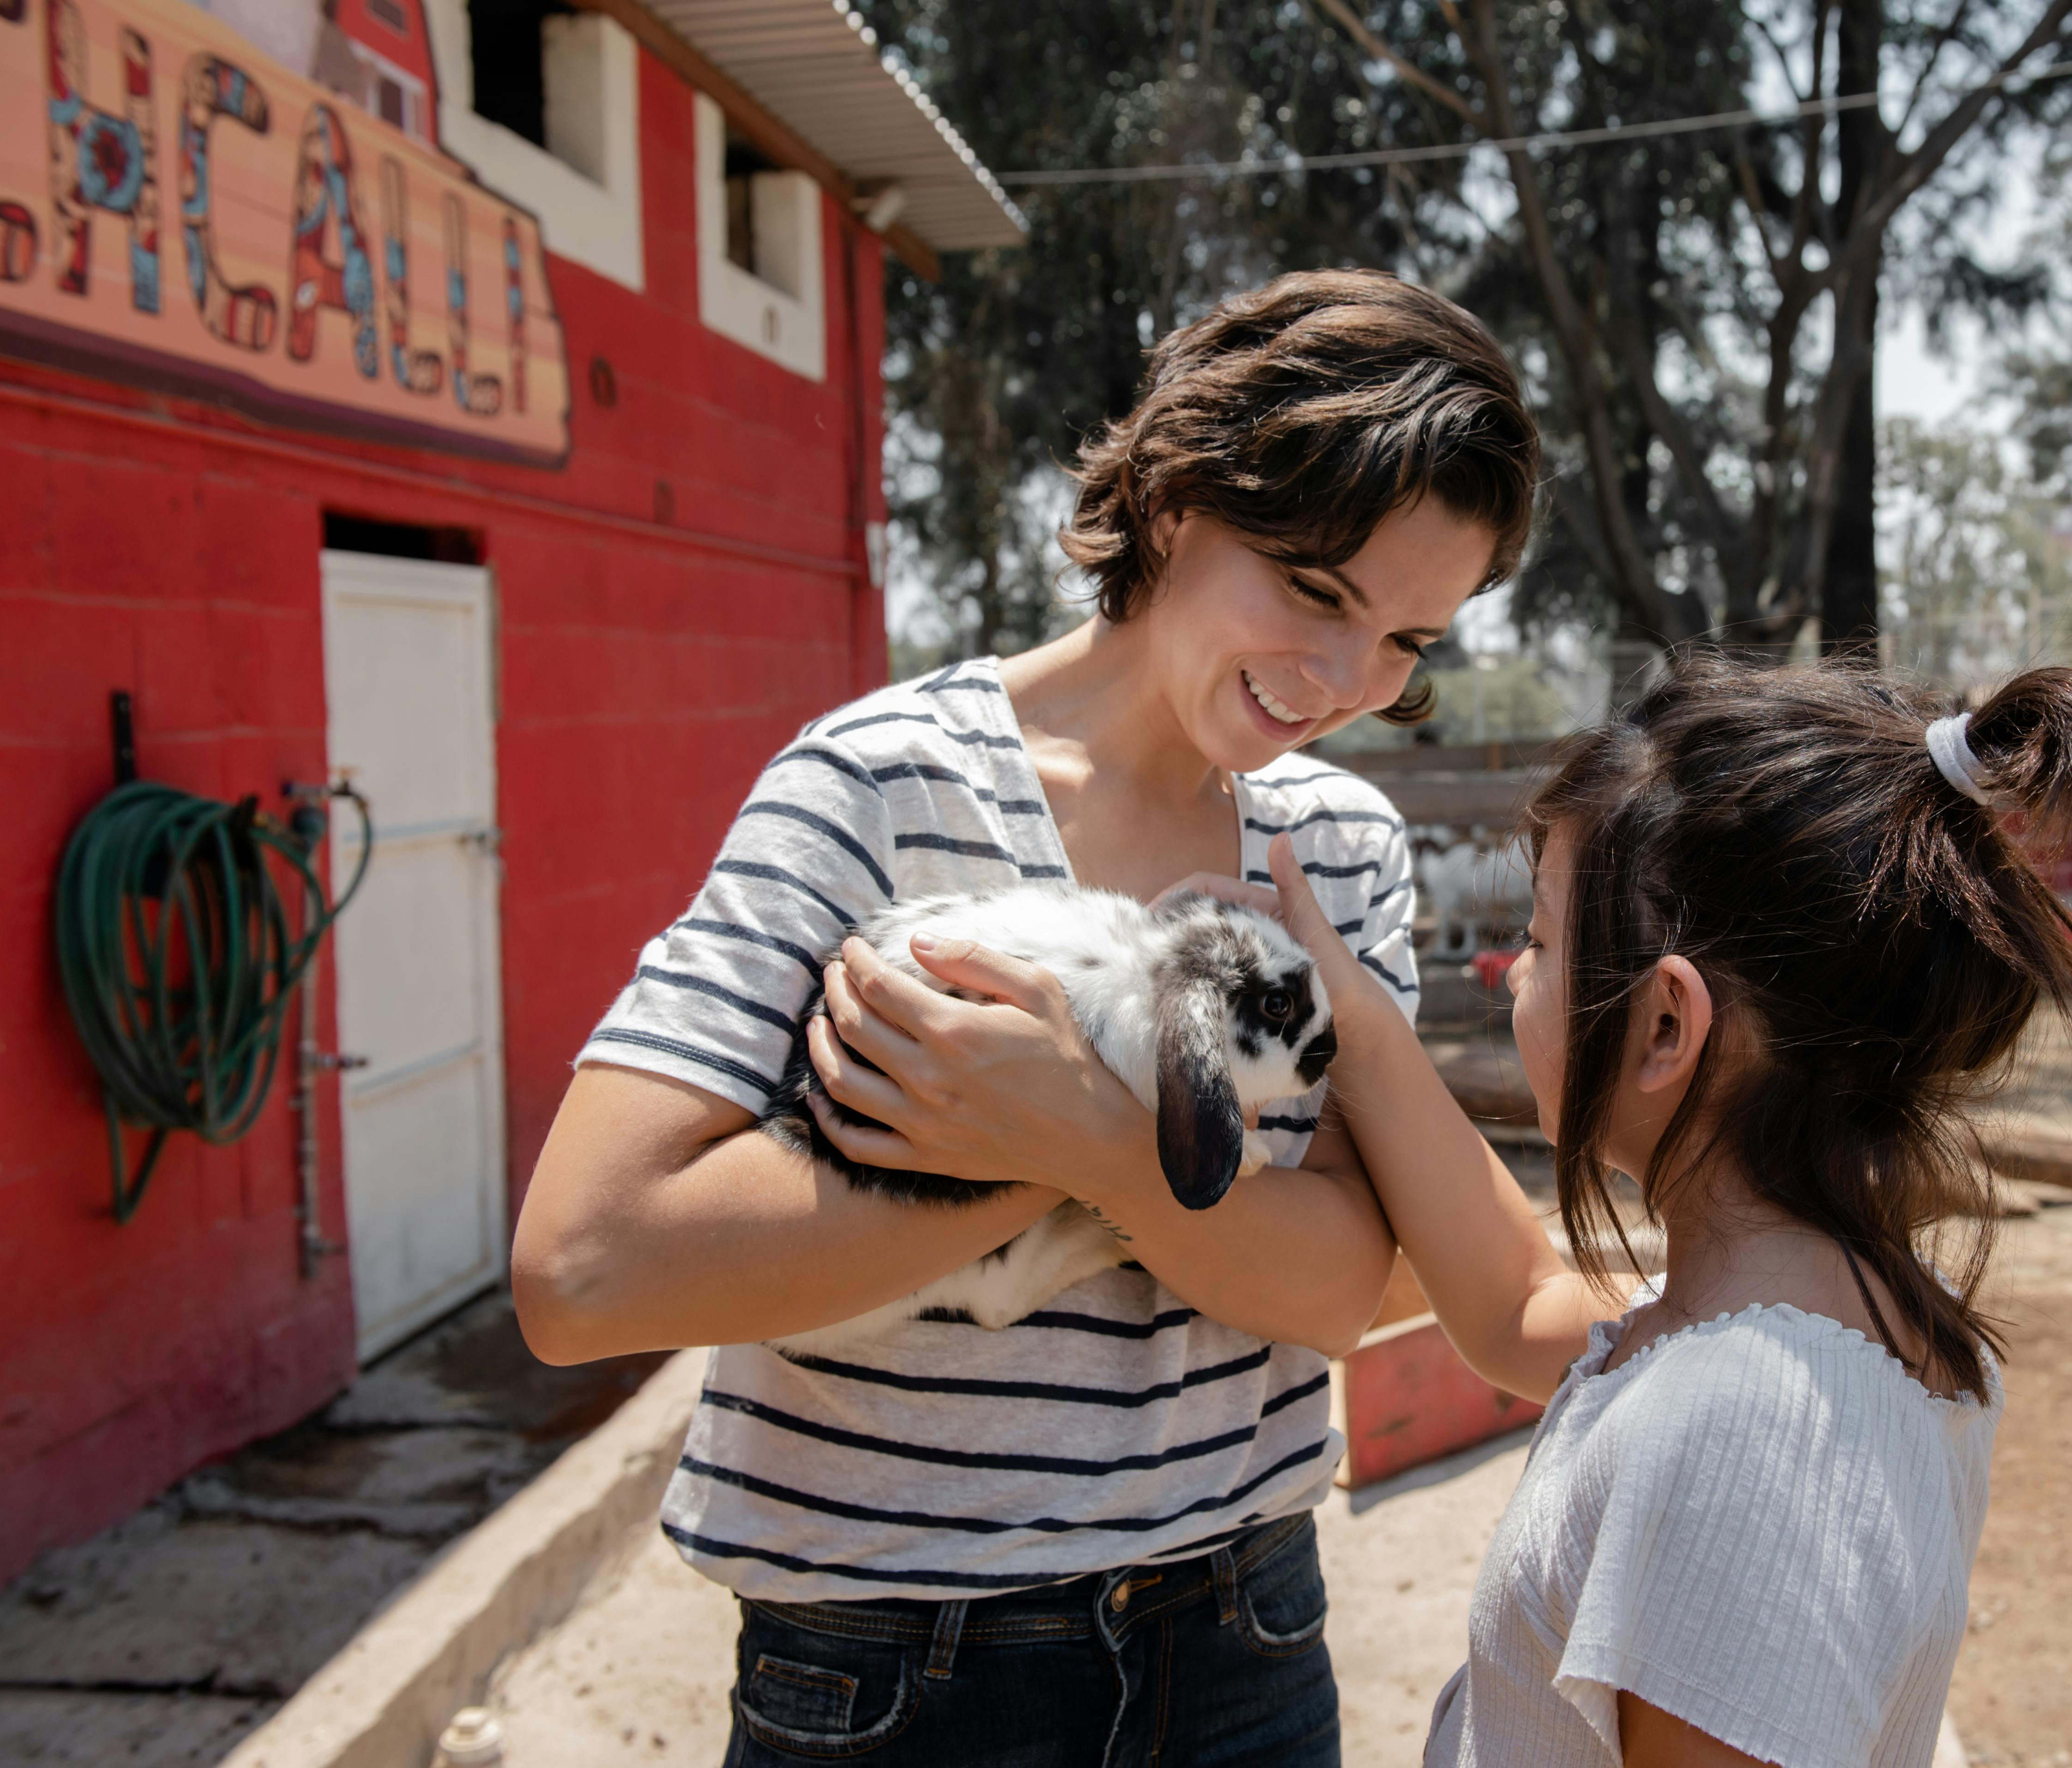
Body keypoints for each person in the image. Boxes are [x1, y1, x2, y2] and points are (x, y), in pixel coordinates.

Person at [508, 268, 1540, 1767]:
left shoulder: (1335, 849)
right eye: (1317, 591)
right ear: (1180, 499)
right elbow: (588, 1268)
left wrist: (1091, 1140)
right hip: (895, 1669)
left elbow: (1343, 1288)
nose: (1342, 682)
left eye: (1406, 641)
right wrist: (1114, 1159)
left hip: (1242, 1634)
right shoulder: (876, 783)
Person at [1247, 654, 2072, 1767]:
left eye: (1540, 944)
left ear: (1665, 1028)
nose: (1512, 979)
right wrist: (1347, 1013)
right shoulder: (1794, 1323)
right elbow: (1514, 1302)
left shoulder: (1744, 1434)